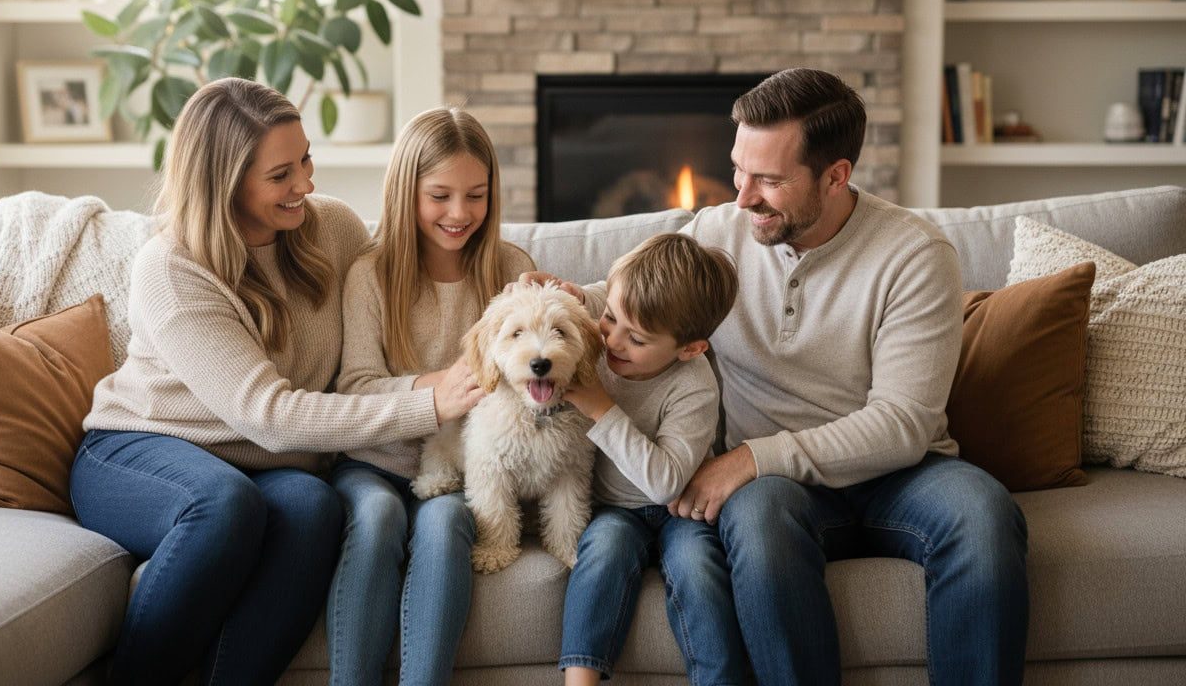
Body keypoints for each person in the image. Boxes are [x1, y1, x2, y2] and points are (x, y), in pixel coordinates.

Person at [532, 68, 1029, 685]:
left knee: (982, 512)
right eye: (739, 169)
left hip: (899, 475)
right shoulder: (721, 231)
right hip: (780, 491)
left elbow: (904, 424)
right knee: (759, 521)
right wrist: (560, 299)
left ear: (835, 176)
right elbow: (637, 301)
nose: (741, 197)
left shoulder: (914, 256)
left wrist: (748, 458)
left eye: (768, 179)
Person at [69, 78, 484, 685]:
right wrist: (430, 401)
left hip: (263, 464)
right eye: (281, 175)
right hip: (139, 450)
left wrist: (569, 299)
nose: (307, 186)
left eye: (306, 160)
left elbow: (408, 290)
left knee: (315, 506)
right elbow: (269, 415)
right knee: (224, 505)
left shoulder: (333, 229)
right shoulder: (171, 270)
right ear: (225, 180)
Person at [328, 107, 534, 686]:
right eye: (439, 195)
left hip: (467, 466)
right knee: (375, 516)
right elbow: (355, 387)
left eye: (476, 195)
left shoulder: (510, 268)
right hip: (377, 462)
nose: (460, 213)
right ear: (405, 192)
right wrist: (437, 388)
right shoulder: (370, 275)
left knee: (444, 526)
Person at [556, 233, 741, 686]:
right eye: (609, 318)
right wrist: (576, 300)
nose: (613, 341)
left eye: (635, 339)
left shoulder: (694, 384)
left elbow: (666, 482)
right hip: (614, 510)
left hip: (680, 510)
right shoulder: (598, 342)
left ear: (690, 348)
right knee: (600, 556)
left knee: (699, 570)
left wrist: (601, 407)